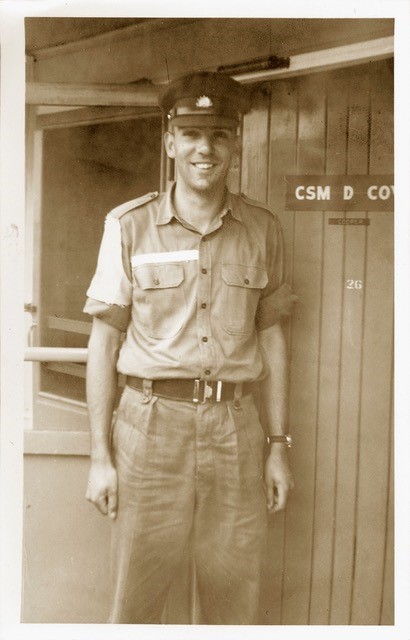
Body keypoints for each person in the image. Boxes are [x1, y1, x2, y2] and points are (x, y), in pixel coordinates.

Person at [83, 71, 297, 625]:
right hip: (149, 429)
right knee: (136, 596)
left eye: (220, 134)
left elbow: (271, 337)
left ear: (236, 144)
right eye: (193, 133)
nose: (207, 148)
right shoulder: (128, 226)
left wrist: (276, 445)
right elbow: (104, 339)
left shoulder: (264, 229)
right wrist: (100, 458)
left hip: (235, 430)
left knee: (233, 597)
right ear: (171, 141)